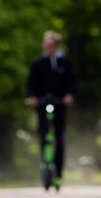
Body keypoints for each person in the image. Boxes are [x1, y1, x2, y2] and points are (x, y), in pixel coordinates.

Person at [26, 30, 77, 181]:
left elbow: (72, 82)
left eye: (52, 45)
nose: (49, 48)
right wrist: (32, 98)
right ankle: (45, 164)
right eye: (47, 45)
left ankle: (59, 170)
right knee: (43, 134)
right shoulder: (37, 64)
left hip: (59, 104)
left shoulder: (65, 64)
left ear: (57, 46)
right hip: (43, 104)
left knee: (59, 137)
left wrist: (69, 96)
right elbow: (31, 84)